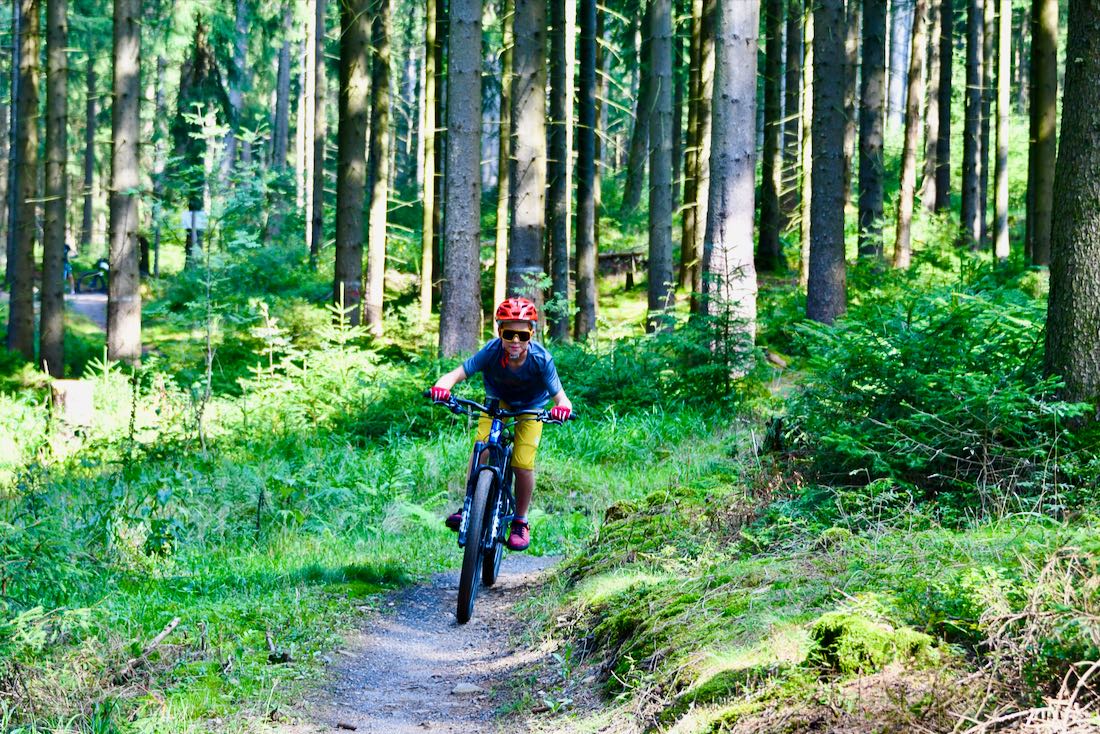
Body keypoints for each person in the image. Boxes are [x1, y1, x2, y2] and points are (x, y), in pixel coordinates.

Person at [428, 297, 573, 551]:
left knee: (522, 462)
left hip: (531, 408)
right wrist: (442, 387)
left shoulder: (542, 359)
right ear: (499, 332)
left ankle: (520, 520)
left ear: (532, 333)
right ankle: (470, 505)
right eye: (509, 333)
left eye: (522, 334)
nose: (515, 341)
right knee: (482, 447)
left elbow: (561, 397)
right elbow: (458, 373)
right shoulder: (492, 351)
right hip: (498, 403)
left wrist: (561, 409)